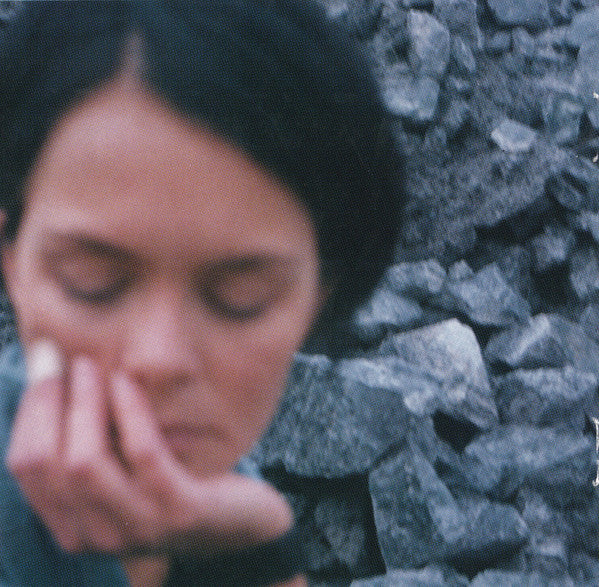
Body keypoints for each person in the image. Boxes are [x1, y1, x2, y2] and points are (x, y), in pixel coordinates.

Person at [0, 1, 403, 585]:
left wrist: (253, 543)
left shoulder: (229, 504)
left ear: (319, 295)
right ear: (11, 260)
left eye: (242, 297)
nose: (159, 359)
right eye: (93, 282)